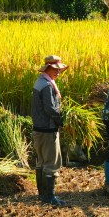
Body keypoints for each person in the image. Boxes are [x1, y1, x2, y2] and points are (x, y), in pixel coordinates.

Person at [31, 55, 68, 206]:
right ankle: (49, 196)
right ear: (48, 68)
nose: (58, 72)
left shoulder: (41, 81)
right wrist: (61, 120)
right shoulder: (47, 86)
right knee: (51, 163)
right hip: (47, 129)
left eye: (59, 69)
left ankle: (42, 194)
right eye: (55, 69)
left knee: (41, 161)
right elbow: (51, 108)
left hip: (38, 128)